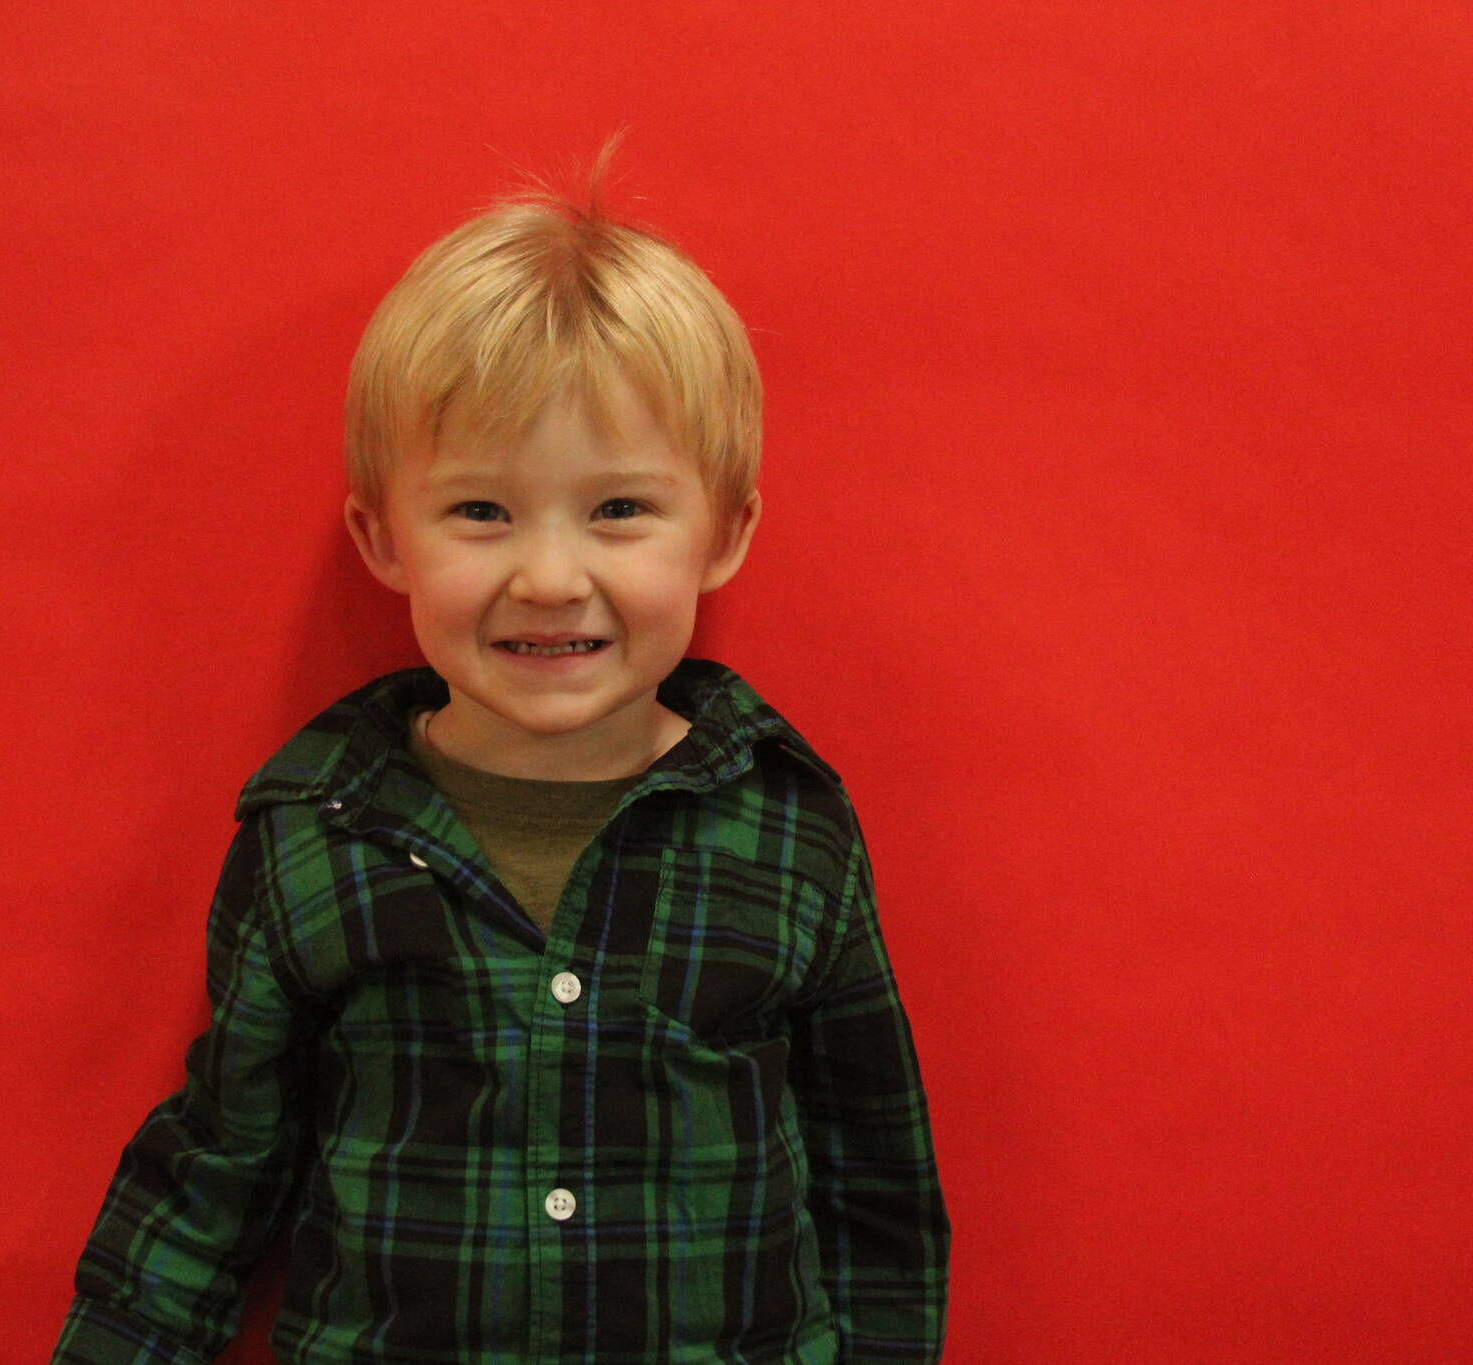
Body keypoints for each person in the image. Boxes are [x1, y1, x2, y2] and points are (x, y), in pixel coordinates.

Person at [50, 138, 949, 1364]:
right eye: (480, 511)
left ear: (723, 533)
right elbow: (214, 1175)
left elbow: (872, 1185)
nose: (547, 577)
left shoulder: (788, 824)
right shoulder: (312, 832)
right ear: (384, 539)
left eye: (618, 509)